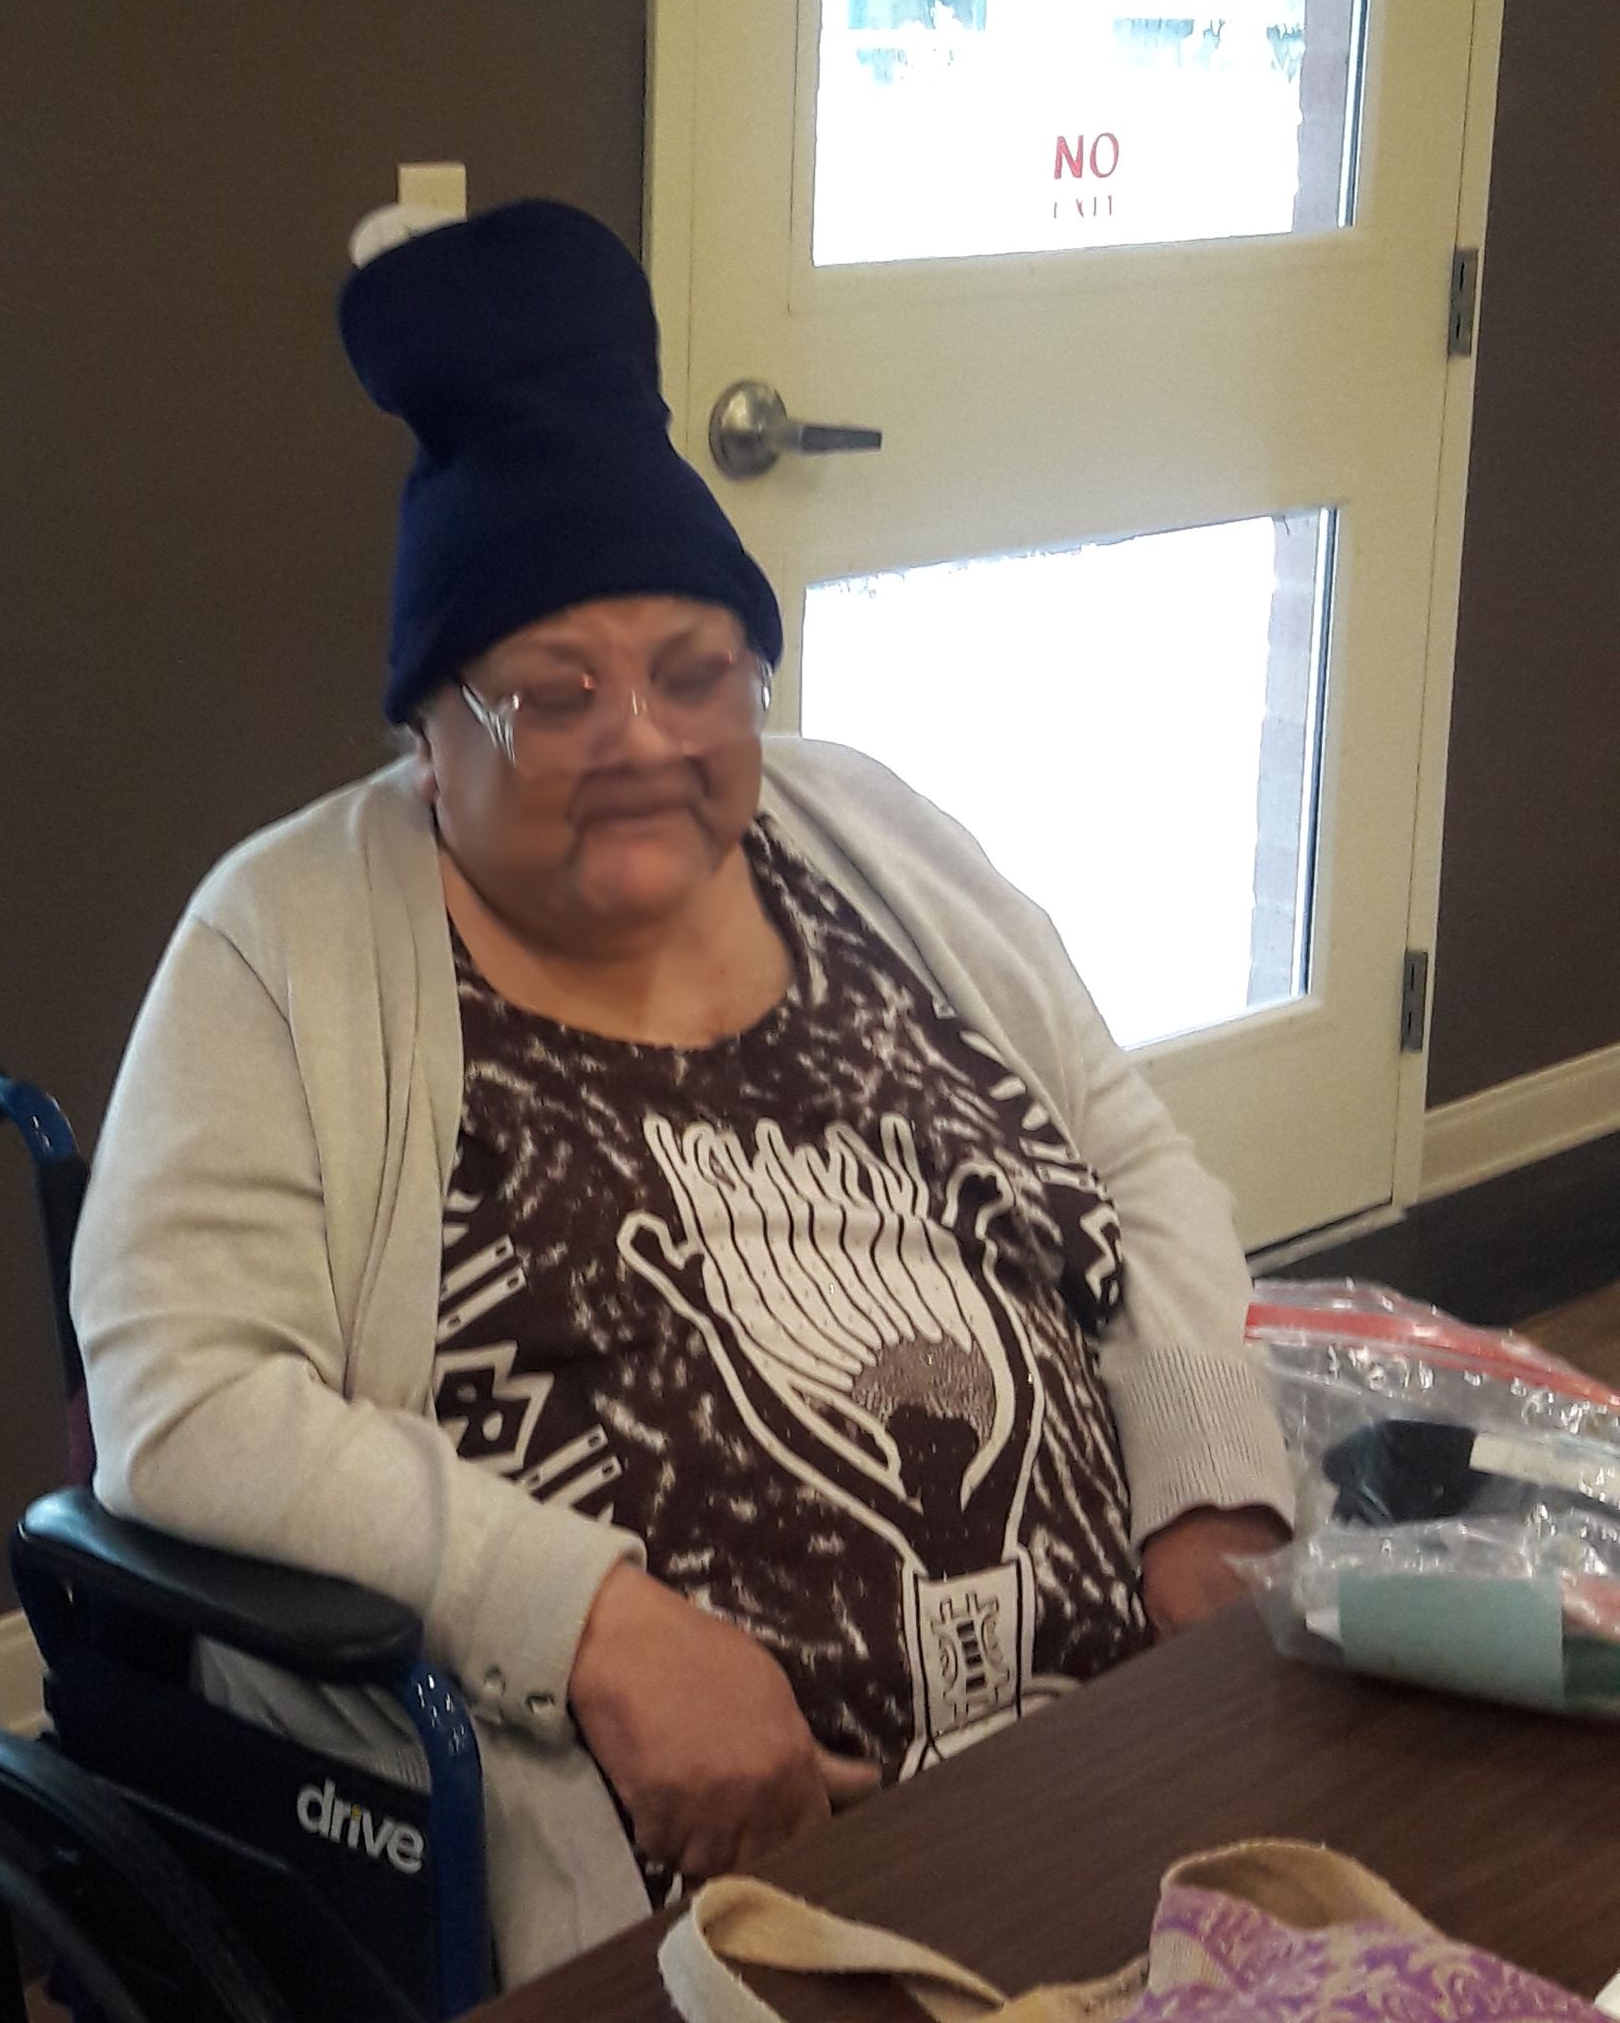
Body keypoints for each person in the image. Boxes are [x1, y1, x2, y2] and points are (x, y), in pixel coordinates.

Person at [70, 199, 1292, 1988]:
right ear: (428, 731)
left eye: (696, 671)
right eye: (554, 694)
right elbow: (186, 1401)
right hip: (695, 1883)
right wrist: (591, 1624)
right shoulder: (285, 942)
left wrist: (1202, 1483)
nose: (644, 738)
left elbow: (1126, 1159)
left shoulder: (874, 831)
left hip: (1122, 1760)